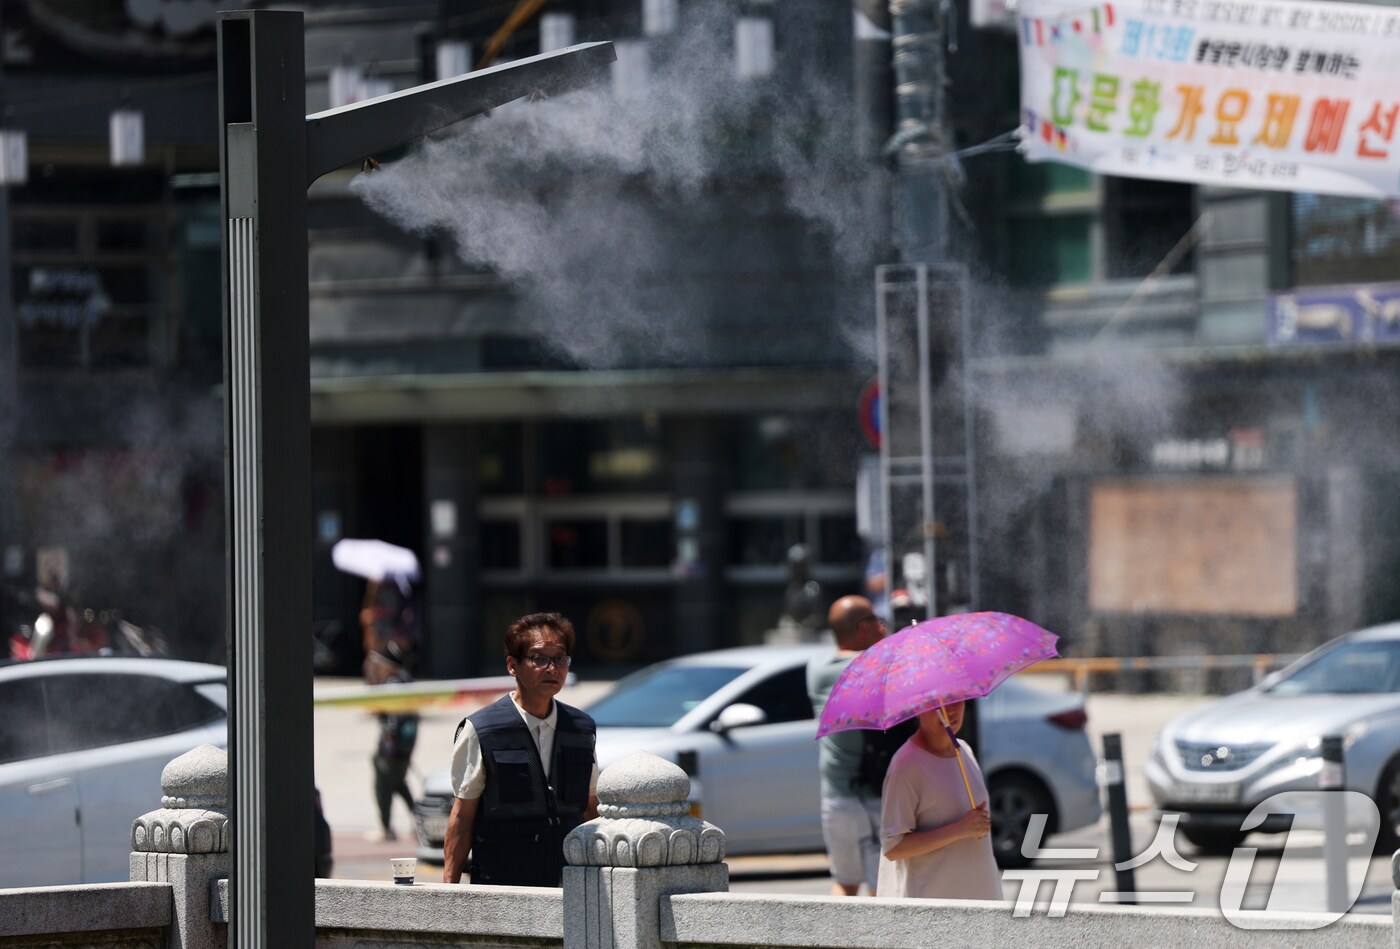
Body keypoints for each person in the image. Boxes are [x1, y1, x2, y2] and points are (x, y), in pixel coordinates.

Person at [442, 611, 598, 886]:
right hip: (503, 885)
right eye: (539, 658)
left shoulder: (582, 729)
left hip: (571, 885)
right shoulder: (482, 729)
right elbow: (462, 816)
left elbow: (590, 808)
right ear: (512, 666)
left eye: (560, 658)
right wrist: (448, 892)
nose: (552, 668)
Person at [877, 700, 1000, 900]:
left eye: (956, 700)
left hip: (981, 897)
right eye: (935, 704)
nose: (948, 710)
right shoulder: (905, 767)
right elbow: (893, 847)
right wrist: (960, 829)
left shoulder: (964, 751)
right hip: (935, 907)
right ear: (917, 709)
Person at [806, 594, 887, 896]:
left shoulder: (817, 669)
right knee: (884, 889)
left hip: (835, 795)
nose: (882, 628)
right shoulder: (872, 667)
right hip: (873, 795)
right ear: (864, 627)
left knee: (844, 882)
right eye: (878, 622)